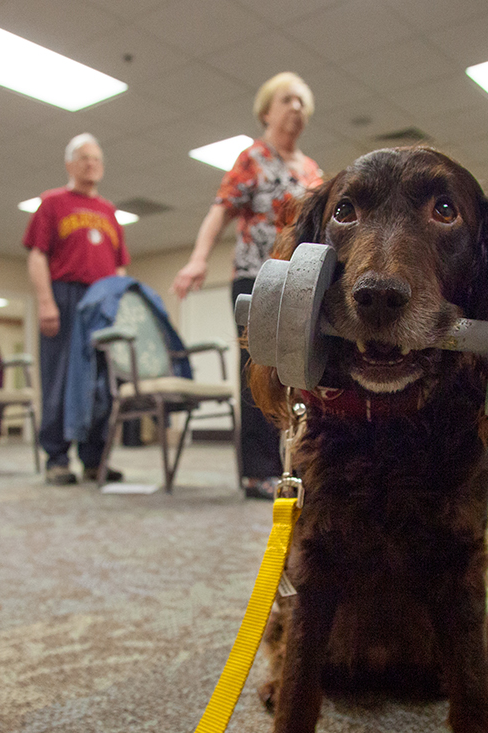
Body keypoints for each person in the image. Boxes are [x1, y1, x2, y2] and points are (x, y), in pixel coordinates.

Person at [171, 72, 324, 499]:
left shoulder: (312, 170)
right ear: (267, 110)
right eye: (287, 99)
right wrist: (199, 258)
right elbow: (219, 211)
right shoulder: (252, 158)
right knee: (259, 372)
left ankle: (301, 463)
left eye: (302, 102)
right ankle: (258, 472)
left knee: (300, 372)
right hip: (256, 279)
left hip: (301, 284)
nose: (296, 107)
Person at [23, 133, 130, 485]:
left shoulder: (110, 211)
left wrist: (118, 305)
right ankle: (56, 457)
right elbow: (37, 255)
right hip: (65, 297)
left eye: (97, 158)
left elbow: (119, 268)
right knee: (60, 378)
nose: (91, 164)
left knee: (100, 382)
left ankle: (93, 458)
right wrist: (45, 301)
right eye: (84, 157)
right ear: (70, 164)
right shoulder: (52, 203)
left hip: (101, 302)